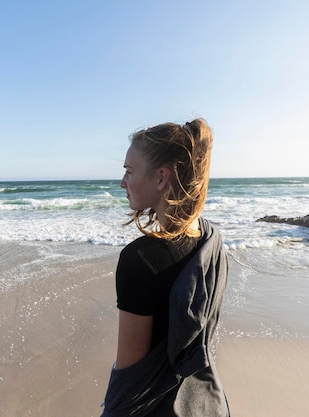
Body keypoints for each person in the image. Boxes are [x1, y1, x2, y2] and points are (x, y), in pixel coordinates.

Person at [101, 119, 230, 416]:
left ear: (161, 178)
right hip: (204, 401)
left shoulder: (140, 261)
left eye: (129, 171)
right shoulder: (211, 239)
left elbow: (129, 378)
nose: (122, 182)